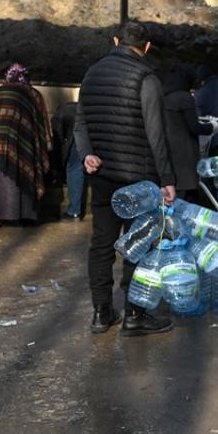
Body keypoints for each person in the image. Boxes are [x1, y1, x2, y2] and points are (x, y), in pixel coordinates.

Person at [74, 20, 177, 338]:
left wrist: (86, 154)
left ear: (115, 40)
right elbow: (156, 134)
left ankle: (101, 313)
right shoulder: (146, 78)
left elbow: (80, 123)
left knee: (101, 244)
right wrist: (167, 178)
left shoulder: (91, 73)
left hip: (103, 174)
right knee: (141, 245)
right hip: (139, 179)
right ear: (146, 47)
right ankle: (135, 314)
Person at [0, 63, 51, 226]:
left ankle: (3, 216)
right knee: (27, 175)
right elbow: (41, 121)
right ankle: (26, 216)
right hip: (27, 145)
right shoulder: (33, 93)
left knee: (2, 178)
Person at [160, 63, 218, 201]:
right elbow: (194, 127)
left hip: (166, 150)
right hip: (184, 155)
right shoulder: (184, 98)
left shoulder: (163, 96)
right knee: (185, 197)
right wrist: (212, 127)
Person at [51, 92, 85, 220]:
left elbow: (58, 140)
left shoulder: (59, 115)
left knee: (74, 169)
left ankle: (74, 211)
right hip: (88, 128)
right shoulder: (69, 109)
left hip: (78, 133)